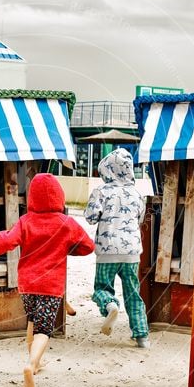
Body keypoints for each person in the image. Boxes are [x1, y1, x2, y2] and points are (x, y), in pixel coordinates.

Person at [0, 173, 94, 387]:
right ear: (59, 197)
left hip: (27, 283)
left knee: (32, 321)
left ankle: (37, 361)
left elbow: (6, 241)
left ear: (32, 198)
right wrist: (66, 249)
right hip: (50, 286)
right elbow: (87, 246)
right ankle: (31, 365)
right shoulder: (66, 223)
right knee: (44, 330)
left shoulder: (26, 221)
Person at [85, 148, 149, 348]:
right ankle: (141, 336)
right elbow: (139, 219)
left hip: (107, 251)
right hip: (132, 253)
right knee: (133, 294)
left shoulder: (101, 191)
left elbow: (90, 218)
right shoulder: (138, 194)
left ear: (106, 170)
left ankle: (110, 305)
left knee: (101, 288)